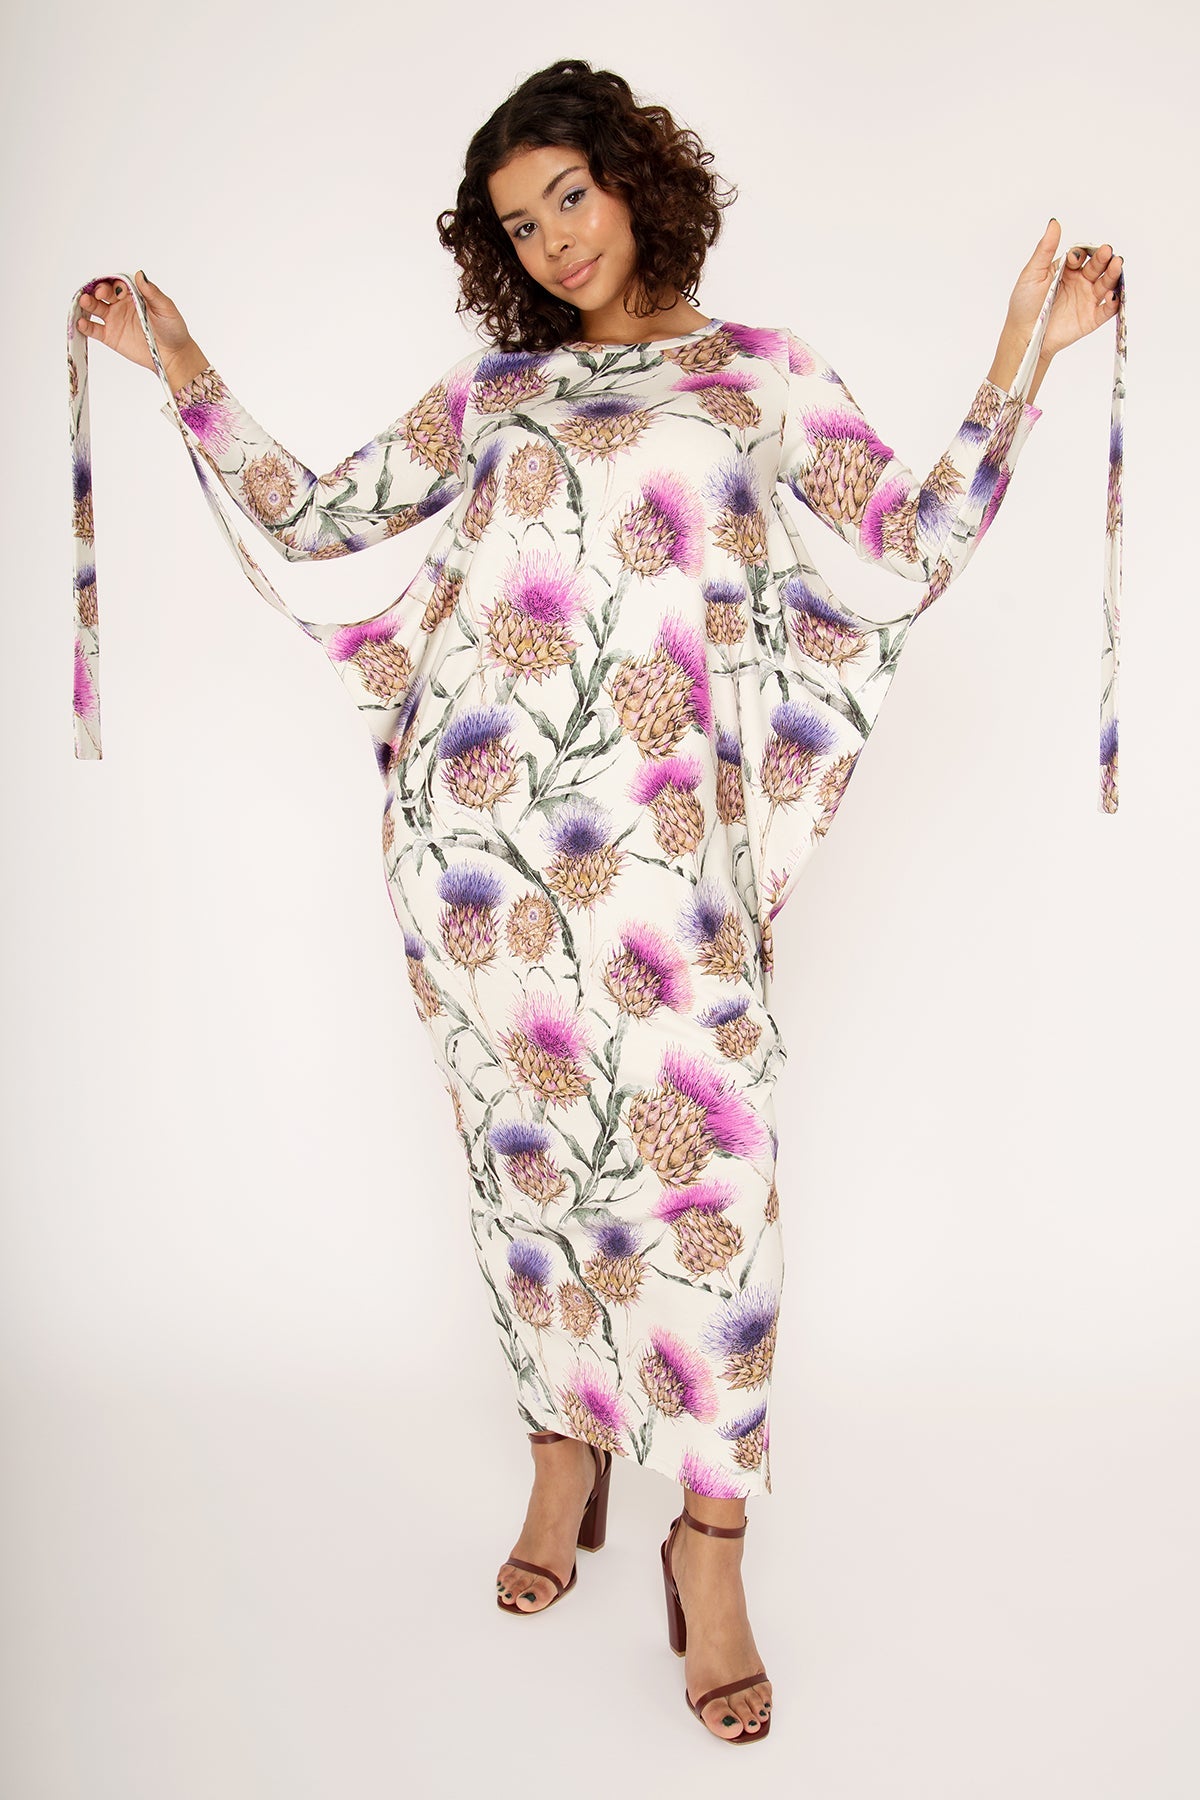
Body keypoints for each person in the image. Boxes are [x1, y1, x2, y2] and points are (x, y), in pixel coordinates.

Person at [68, 56, 1124, 1745]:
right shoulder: (493, 392)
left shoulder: (761, 375)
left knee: (715, 1179)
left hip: (666, 868)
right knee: (529, 1169)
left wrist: (1025, 350)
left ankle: (711, 1546)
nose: (555, 236)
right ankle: (564, 1454)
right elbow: (325, 518)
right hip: (477, 854)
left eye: (570, 192)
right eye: (518, 222)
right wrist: (181, 361)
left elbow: (909, 545)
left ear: (635, 180)